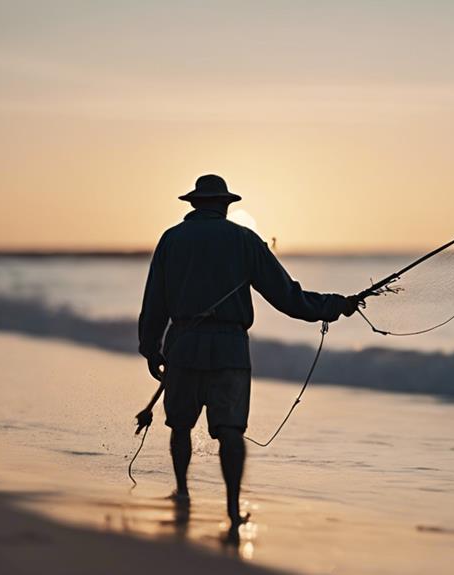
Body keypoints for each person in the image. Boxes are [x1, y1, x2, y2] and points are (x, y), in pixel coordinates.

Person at [138, 174, 359, 541]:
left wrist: (150, 346)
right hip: (230, 347)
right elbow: (287, 297)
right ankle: (232, 508)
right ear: (225, 204)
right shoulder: (244, 239)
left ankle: (182, 491)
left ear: (194, 204)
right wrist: (334, 306)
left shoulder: (171, 239)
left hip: (182, 344)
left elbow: (155, 300)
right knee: (230, 431)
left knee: (180, 425)